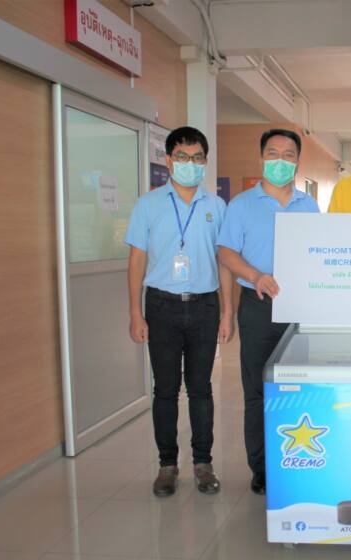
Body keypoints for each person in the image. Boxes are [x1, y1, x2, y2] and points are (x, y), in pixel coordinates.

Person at [125, 126, 233, 497]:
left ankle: (203, 464)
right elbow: (137, 260)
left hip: (204, 306)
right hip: (161, 306)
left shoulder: (216, 207)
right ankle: (167, 466)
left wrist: (227, 312)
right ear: (169, 160)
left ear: (205, 161)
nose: (190, 164)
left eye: (197, 157)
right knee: (166, 390)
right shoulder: (148, 204)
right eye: (183, 157)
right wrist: (135, 312)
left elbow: (224, 262)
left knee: (201, 389)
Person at [217, 129, 319, 495]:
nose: (280, 161)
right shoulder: (241, 204)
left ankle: (297, 459)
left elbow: (318, 251)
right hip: (258, 305)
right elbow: (225, 252)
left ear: (297, 162)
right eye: (273, 153)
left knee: (299, 385)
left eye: (288, 155)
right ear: (262, 158)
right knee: (258, 389)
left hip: (299, 307)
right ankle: (261, 468)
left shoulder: (308, 205)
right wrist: (254, 276)